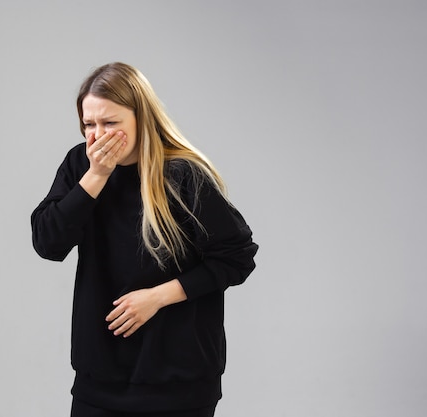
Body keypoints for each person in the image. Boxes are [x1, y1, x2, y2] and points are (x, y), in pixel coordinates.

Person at [31, 62, 258, 417]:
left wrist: (157, 298)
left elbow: (238, 257)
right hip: (100, 378)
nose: (97, 136)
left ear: (141, 117)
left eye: (110, 123)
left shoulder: (182, 174)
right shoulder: (81, 165)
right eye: (89, 125)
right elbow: (48, 243)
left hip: (178, 381)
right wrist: (96, 176)